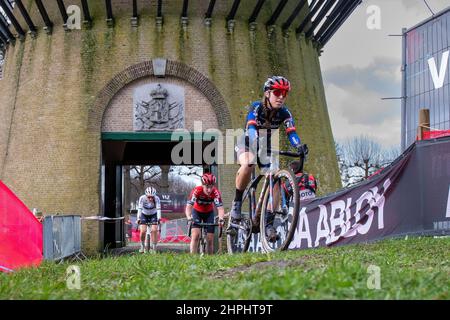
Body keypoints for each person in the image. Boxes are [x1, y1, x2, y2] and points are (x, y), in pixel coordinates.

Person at [228, 76, 307, 242]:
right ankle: (236, 203)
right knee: (248, 163)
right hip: (248, 142)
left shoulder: (285, 112)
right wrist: (255, 137)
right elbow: (250, 127)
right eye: (277, 92)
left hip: (267, 147)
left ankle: (268, 223)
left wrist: (298, 145)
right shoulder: (257, 107)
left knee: (276, 180)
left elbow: (291, 132)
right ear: (267, 93)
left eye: (284, 94)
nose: (281, 97)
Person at [185, 172, 225, 254]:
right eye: (207, 187)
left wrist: (221, 219)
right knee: (195, 236)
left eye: (211, 187)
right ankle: (193, 258)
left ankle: (210, 260)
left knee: (210, 239)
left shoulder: (215, 193)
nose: (209, 190)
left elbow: (220, 209)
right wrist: (189, 217)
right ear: (202, 185)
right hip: (197, 212)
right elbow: (189, 207)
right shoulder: (196, 191)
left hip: (209, 213)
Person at [137, 186, 161, 253]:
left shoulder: (157, 199)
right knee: (143, 231)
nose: (150, 199)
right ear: (146, 195)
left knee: (154, 230)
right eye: (149, 197)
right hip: (144, 214)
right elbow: (140, 209)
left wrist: (159, 218)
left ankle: (154, 248)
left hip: (153, 214)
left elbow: (158, 209)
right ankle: (142, 246)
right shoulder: (142, 198)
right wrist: (138, 218)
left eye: (152, 197)